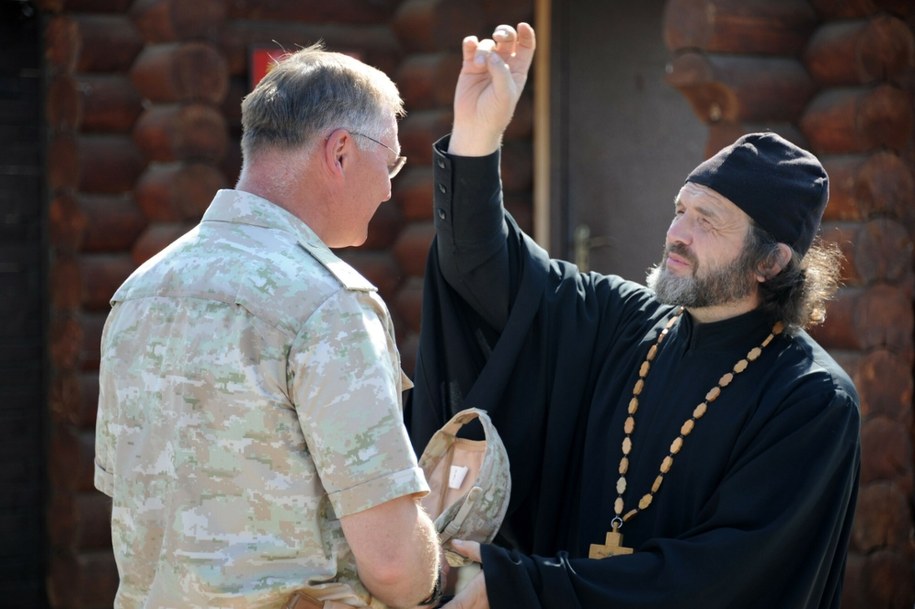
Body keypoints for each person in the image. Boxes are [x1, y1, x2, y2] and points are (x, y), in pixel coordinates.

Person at [406, 23, 861, 609]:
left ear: (771, 262)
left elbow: (725, 580)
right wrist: (477, 134)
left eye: (709, 220)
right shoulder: (624, 322)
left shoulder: (810, 401)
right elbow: (486, 271)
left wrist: (529, 587)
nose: (676, 233)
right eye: (680, 209)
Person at [95, 44, 442, 609]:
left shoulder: (139, 292)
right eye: (393, 162)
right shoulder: (330, 304)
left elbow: (134, 507)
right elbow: (393, 565)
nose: (388, 187)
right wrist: (443, 577)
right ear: (340, 152)